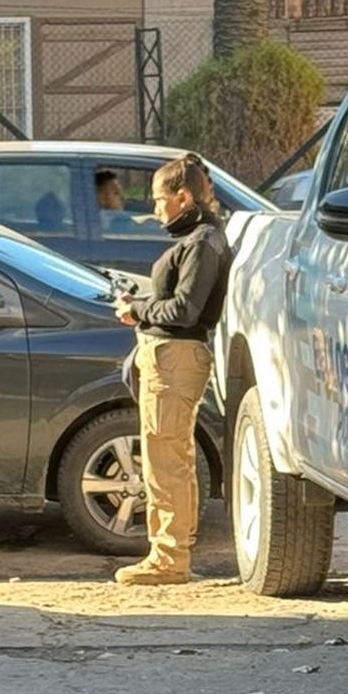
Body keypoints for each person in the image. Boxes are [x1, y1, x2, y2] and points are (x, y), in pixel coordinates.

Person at [111, 152, 231, 586]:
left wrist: (138, 308)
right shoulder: (201, 238)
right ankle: (171, 551)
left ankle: (168, 557)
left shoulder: (201, 243)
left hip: (175, 358)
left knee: (166, 462)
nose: (156, 208)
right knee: (170, 457)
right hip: (168, 356)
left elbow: (184, 309)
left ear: (183, 197)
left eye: (160, 199)